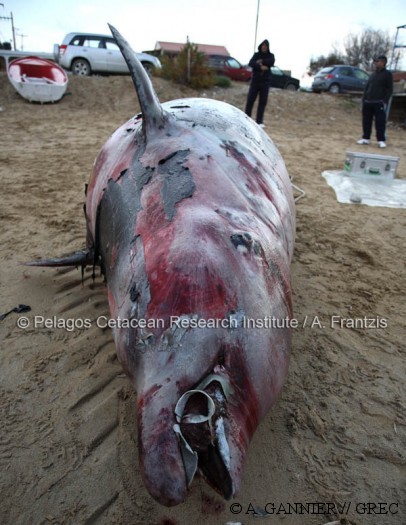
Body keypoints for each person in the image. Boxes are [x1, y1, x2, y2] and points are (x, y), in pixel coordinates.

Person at [357, 55, 393, 149]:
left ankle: (381, 140)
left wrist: (384, 100)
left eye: (378, 61)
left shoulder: (387, 74)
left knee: (380, 122)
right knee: (366, 120)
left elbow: (389, 89)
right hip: (368, 101)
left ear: (383, 62)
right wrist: (364, 98)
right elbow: (367, 87)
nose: (376, 63)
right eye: (375, 62)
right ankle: (366, 138)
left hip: (379, 102)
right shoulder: (373, 74)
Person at [245, 40, 275, 127]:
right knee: (250, 100)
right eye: (263, 45)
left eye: (266, 45)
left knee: (262, 102)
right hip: (255, 81)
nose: (264, 47)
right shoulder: (256, 55)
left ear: (268, 47)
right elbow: (251, 63)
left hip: (265, 81)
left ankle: (259, 121)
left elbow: (271, 62)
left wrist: (260, 61)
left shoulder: (271, 55)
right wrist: (260, 67)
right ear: (261, 46)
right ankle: (247, 118)